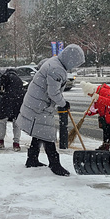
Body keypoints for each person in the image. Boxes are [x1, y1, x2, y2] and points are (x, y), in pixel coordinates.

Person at [16, 44, 85, 176]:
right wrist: (63, 103)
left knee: (39, 131)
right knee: (47, 134)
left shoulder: (55, 62)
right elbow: (53, 92)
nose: (75, 66)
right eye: (76, 63)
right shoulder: (56, 69)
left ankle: (32, 159)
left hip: (37, 102)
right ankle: (55, 164)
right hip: (39, 105)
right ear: (70, 60)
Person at [80, 81, 110, 151]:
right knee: (106, 130)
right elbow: (99, 108)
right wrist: (90, 112)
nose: (89, 96)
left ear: (91, 91)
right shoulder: (96, 95)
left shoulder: (104, 91)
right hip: (109, 115)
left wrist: (98, 97)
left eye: (89, 94)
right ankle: (105, 146)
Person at [0, 68, 26, 151]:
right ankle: (16, 143)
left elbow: (0, 86)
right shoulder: (19, 79)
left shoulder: (6, 76)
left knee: (2, 121)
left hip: (7, 100)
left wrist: (1, 91)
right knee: (16, 123)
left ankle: (0, 141)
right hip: (18, 101)